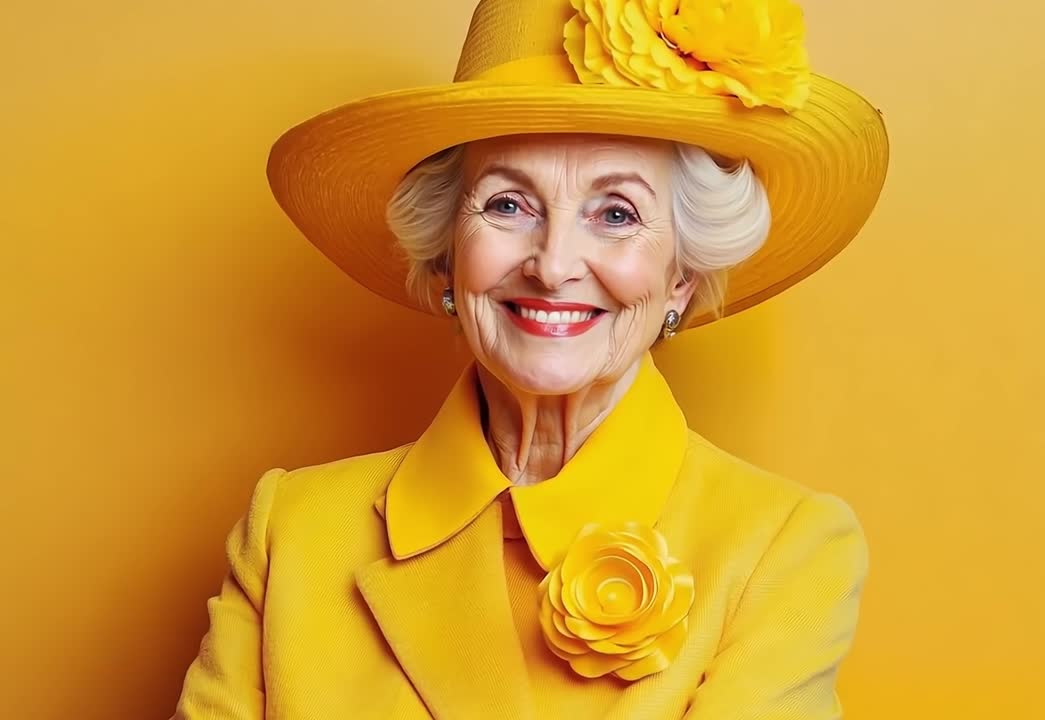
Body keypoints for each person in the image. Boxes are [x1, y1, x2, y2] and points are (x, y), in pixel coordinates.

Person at [172, 0, 889, 717]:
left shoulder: (783, 549)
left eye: (616, 214)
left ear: (681, 277)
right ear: (447, 255)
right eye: (510, 205)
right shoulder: (290, 530)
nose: (553, 266)